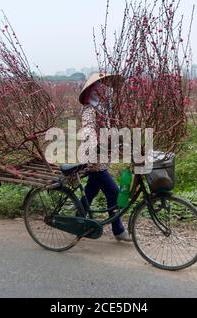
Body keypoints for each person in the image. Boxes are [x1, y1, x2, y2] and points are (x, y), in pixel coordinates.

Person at [78, 73, 132, 242]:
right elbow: (88, 134)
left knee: (90, 192)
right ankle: (118, 230)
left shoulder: (102, 109)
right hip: (94, 160)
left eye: (105, 87)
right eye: (100, 87)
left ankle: (78, 220)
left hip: (101, 158)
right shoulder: (89, 110)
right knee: (114, 193)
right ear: (93, 90)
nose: (104, 90)